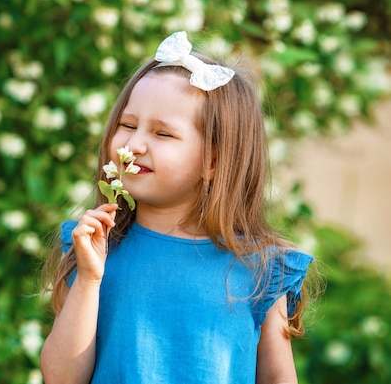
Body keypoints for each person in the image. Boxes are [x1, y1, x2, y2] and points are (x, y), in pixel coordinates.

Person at [40, 31, 316, 384]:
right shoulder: (94, 249)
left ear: (214, 161)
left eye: (162, 134)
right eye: (127, 125)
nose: (134, 144)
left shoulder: (261, 268)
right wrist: (91, 279)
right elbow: (61, 378)